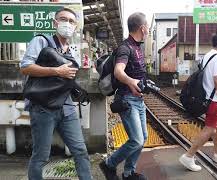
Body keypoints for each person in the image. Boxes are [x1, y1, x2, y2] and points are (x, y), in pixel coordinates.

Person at [20, 8, 92, 180]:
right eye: (63, 19)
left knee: (80, 151)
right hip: (42, 108)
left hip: (66, 106)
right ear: (55, 22)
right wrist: (56, 71)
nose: (67, 24)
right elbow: (25, 67)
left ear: (75, 26)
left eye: (71, 21)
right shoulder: (41, 41)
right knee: (41, 157)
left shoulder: (71, 50)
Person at [99, 12, 148, 180]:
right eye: (147, 26)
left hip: (139, 100)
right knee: (136, 140)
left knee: (143, 138)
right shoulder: (125, 48)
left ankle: (129, 173)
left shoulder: (138, 46)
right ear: (142, 28)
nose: (148, 29)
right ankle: (109, 164)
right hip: (127, 100)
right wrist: (130, 81)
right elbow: (118, 71)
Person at [179, 29, 217, 172]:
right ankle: (188, 155)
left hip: (206, 97)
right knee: (210, 128)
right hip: (213, 100)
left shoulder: (208, 55)